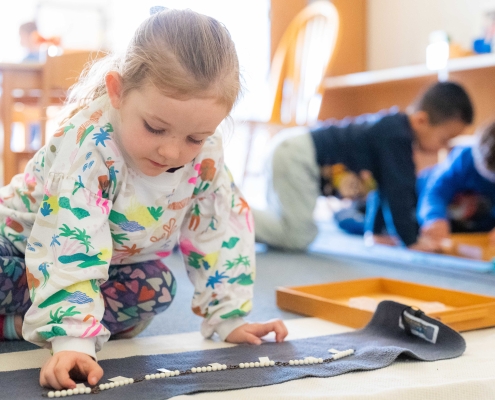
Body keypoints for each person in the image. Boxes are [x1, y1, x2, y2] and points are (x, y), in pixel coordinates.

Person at [0, 7, 288, 390]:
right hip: (19, 248)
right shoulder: (90, 144)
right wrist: (73, 341)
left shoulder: (206, 156)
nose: (172, 151)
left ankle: (15, 324)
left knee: (157, 285)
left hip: (102, 269)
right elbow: (68, 238)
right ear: (118, 91)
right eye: (155, 128)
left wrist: (229, 317)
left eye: (194, 138)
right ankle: (52, 322)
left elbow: (220, 228)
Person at [252, 81, 474, 251]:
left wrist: (374, 232)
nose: (442, 148)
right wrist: (412, 240)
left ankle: (237, 217)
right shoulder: (397, 136)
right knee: (299, 235)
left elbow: (383, 187)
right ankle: (232, 216)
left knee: (289, 227)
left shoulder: (393, 134)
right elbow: (399, 191)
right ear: (421, 121)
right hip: (298, 156)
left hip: (291, 151)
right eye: (444, 139)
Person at [417, 120, 495, 250]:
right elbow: (435, 192)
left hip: (482, 239)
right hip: (450, 234)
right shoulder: (463, 159)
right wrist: (434, 218)